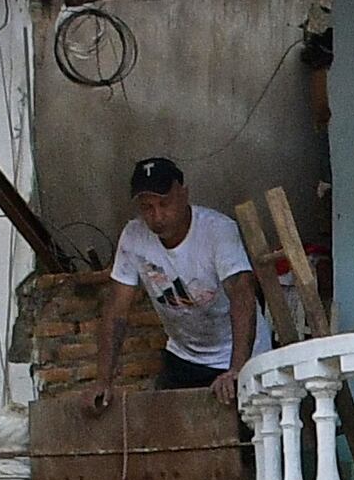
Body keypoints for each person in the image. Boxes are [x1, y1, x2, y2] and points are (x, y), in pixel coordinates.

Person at [111, 157, 262, 391]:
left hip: (239, 353)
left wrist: (237, 371)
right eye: (147, 208)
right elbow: (116, 312)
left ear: (184, 194)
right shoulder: (133, 237)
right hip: (185, 356)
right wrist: (103, 382)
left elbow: (242, 295)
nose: (158, 216)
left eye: (164, 204)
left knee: (241, 424)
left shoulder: (217, 230)